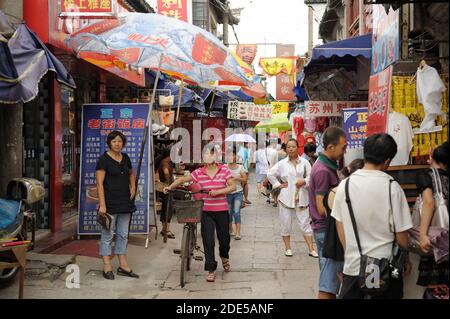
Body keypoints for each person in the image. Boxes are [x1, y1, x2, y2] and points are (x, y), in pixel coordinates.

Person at [332, 133, 413, 299]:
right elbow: (401, 236)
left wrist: (351, 252)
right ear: (387, 161)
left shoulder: (345, 186)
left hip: (355, 267)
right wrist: (405, 260)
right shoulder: (393, 188)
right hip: (386, 269)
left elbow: (339, 225)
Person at [164, 147, 236, 282]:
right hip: (206, 211)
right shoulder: (198, 172)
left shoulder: (224, 170)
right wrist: (170, 187)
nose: (208, 156)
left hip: (221, 211)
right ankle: (211, 269)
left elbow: (233, 186)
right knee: (208, 240)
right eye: (206, 154)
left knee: (224, 239)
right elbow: (182, 180)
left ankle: (224, 256)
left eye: (211, 154)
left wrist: (219, 192)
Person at [308, 126, 347, 299]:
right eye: (343, 147)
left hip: (325, 229)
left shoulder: (327, 165)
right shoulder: (323, 170)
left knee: (331, 281)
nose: (344, 151)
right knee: (329, 282)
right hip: (326, 230)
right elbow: (321, 207)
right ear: (331, 147)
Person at [96, 130, 139, 280]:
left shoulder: (125, 157)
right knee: (108, 234)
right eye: (114, 141)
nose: (117, 144)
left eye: (120, 141)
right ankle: (107, 265)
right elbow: (99, 184)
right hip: (109, 203)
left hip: (124, 202)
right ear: (109, 143)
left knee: (123, 234)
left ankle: (123, 265)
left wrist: (133, 187)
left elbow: (131, 173)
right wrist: (102, 205)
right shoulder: (103, 160)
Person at [268, 139, 319, 258]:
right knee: (285, 223)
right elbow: (270, 174)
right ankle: (288, 248)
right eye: (289, 147)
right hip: (285, 198)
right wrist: (278, 185)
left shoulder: (305, 162)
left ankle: (311, 249)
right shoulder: (282, 164)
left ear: (298, 148)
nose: (291, 149)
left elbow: (311, 177)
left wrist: (304, 181)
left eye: (293, 147)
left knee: (305, 223)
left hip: (302, 197)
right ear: (286, 149)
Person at [415, 141, 449, 298]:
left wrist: (422, 235)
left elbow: (429, 202)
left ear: (433, 157)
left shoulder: (426, 175)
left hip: (437, 242)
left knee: (436, 290)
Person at [226, 147, 247, 240]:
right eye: (229, 155)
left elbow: (245, 179)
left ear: (235, 156)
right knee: (229, 213)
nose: (231, 157)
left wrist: (237, 178)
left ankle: (238, 233)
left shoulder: (240, 167)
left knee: (236, 212)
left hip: (238, 193)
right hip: (227, 193)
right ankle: (230, 230)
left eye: (232, 155)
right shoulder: (225, 167)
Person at [155, 148, 175, 239]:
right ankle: (166, 230)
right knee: (168, 209)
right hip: (167, 189)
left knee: (164, 208)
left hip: (163, 188)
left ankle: (164, 229)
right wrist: (170, 182)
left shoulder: (161, 162)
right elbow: (166, 172)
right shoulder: (165, 163)